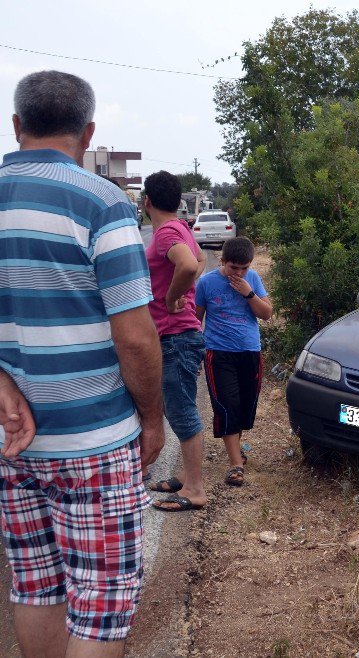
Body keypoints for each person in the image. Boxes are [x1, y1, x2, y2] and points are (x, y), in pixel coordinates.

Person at [0, 70, 165, 657]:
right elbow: (137, 338)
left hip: (13, 441)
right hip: (95, 441)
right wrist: (152, 419)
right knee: (100, 607)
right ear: (89, 131)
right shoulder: (101, 202)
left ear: (17, 126)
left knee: (37, 586)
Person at [142, 171, 209, 512]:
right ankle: (185, 475)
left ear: (147, 201)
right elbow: (200, 260)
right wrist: (180, 289)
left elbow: (186, 265)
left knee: (181, 411)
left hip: (176, 335)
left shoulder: (167, 231)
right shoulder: (181, 227)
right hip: (181, 334)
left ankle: (196, 490)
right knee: (179, 406)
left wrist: (171, 299)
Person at [195, 237, 272, 486]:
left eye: (244, 268)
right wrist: (195, 354)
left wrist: (248, 293)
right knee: (227, 404)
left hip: (249, 351)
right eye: (233, 268)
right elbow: (197, 320)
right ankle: (235, 464)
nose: (238, 273)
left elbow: (267, 314)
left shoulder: (253, 280)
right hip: (218, 353)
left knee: (244, 406)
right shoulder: (206, 283)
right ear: (222, 260)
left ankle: (236, 452)